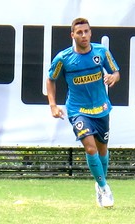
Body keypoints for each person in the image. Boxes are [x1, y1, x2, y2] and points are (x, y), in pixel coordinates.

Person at [47, 18, 120, 208]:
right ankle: (104, 188)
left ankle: (99, 183)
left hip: (101, 108)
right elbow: (51, 79)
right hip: (77, 109)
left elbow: (116, 72)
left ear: (90, 33)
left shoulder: (101, 52)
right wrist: (53, 105)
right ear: (73, 35)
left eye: (86, 31)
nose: (84, 35)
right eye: (79, 32)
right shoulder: (64, 58)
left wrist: (113, 76)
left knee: (102, 150)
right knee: (90, 148)